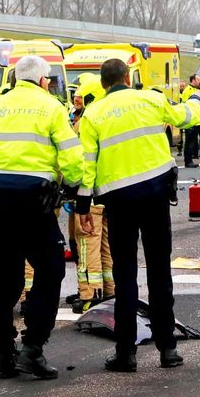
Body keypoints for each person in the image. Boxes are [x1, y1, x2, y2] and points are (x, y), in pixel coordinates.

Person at [0, 55, 83, 380]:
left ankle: (2, 354)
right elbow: (71, 154)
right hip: (35, 204)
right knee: (50, 270)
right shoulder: (51, 107)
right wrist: (72, 186)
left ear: (14, 78)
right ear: (44, 81)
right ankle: (33, 348)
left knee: (2, 279)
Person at [77, 58, 200, 372]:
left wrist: (82, 205)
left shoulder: (93, 114)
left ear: (104, 83)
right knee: (160, 273)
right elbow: (186, 117)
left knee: (125, 277)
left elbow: (87, 163)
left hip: (119, 201)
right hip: (155, 195)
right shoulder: (150, 98)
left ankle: (126, 354)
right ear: (126, 77)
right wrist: (195, 99)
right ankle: (168, 349)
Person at [69, 76, 113, 313]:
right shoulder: (109, 120)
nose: (77, 102)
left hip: (89, 194)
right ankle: (110, 289)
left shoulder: (86, 122)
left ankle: (89, 294)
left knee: (86, 245)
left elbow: (78, 161)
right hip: (107, 194)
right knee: (105, 245)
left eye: (80, 97)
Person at [181, 74, 200, 168]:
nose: (199, 81)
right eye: (198, 79)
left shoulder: (196, 90)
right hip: (190, 119)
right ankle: (188, 161)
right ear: (193, 80)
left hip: (196, 120)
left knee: (193, 141)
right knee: (189, 141)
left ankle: (190, 159)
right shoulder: (188, 90)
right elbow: (187, 104)